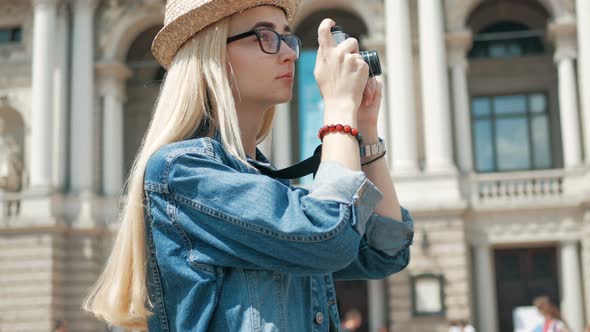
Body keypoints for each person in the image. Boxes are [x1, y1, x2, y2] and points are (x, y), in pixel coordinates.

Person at [83, 0, 414, 331]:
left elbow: (385, 251)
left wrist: (365, 129)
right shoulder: (183, 172)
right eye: (266, 36)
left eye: (287, 38)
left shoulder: (267, 184)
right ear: (213, 54)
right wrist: (340, 108)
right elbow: (328, 237)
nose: (291, 54)